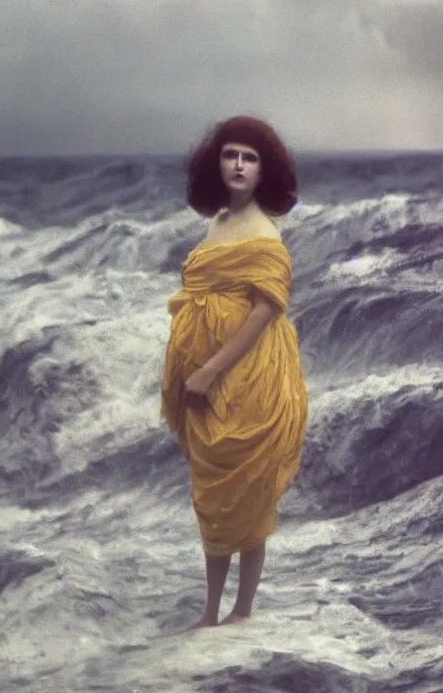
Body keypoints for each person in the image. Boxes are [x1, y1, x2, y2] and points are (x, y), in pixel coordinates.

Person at [160, 115, 309, 630]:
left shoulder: (266, 231)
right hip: (203, 370)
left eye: (249, 157)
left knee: (248, 487)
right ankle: (209, 610)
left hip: (249, 372)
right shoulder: (219, 221)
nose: (239, 165)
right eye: (230, 155)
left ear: (264, 169)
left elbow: (265, 311)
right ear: (215, 163)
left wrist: (210, 371)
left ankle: (242, 610)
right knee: (213, 490)